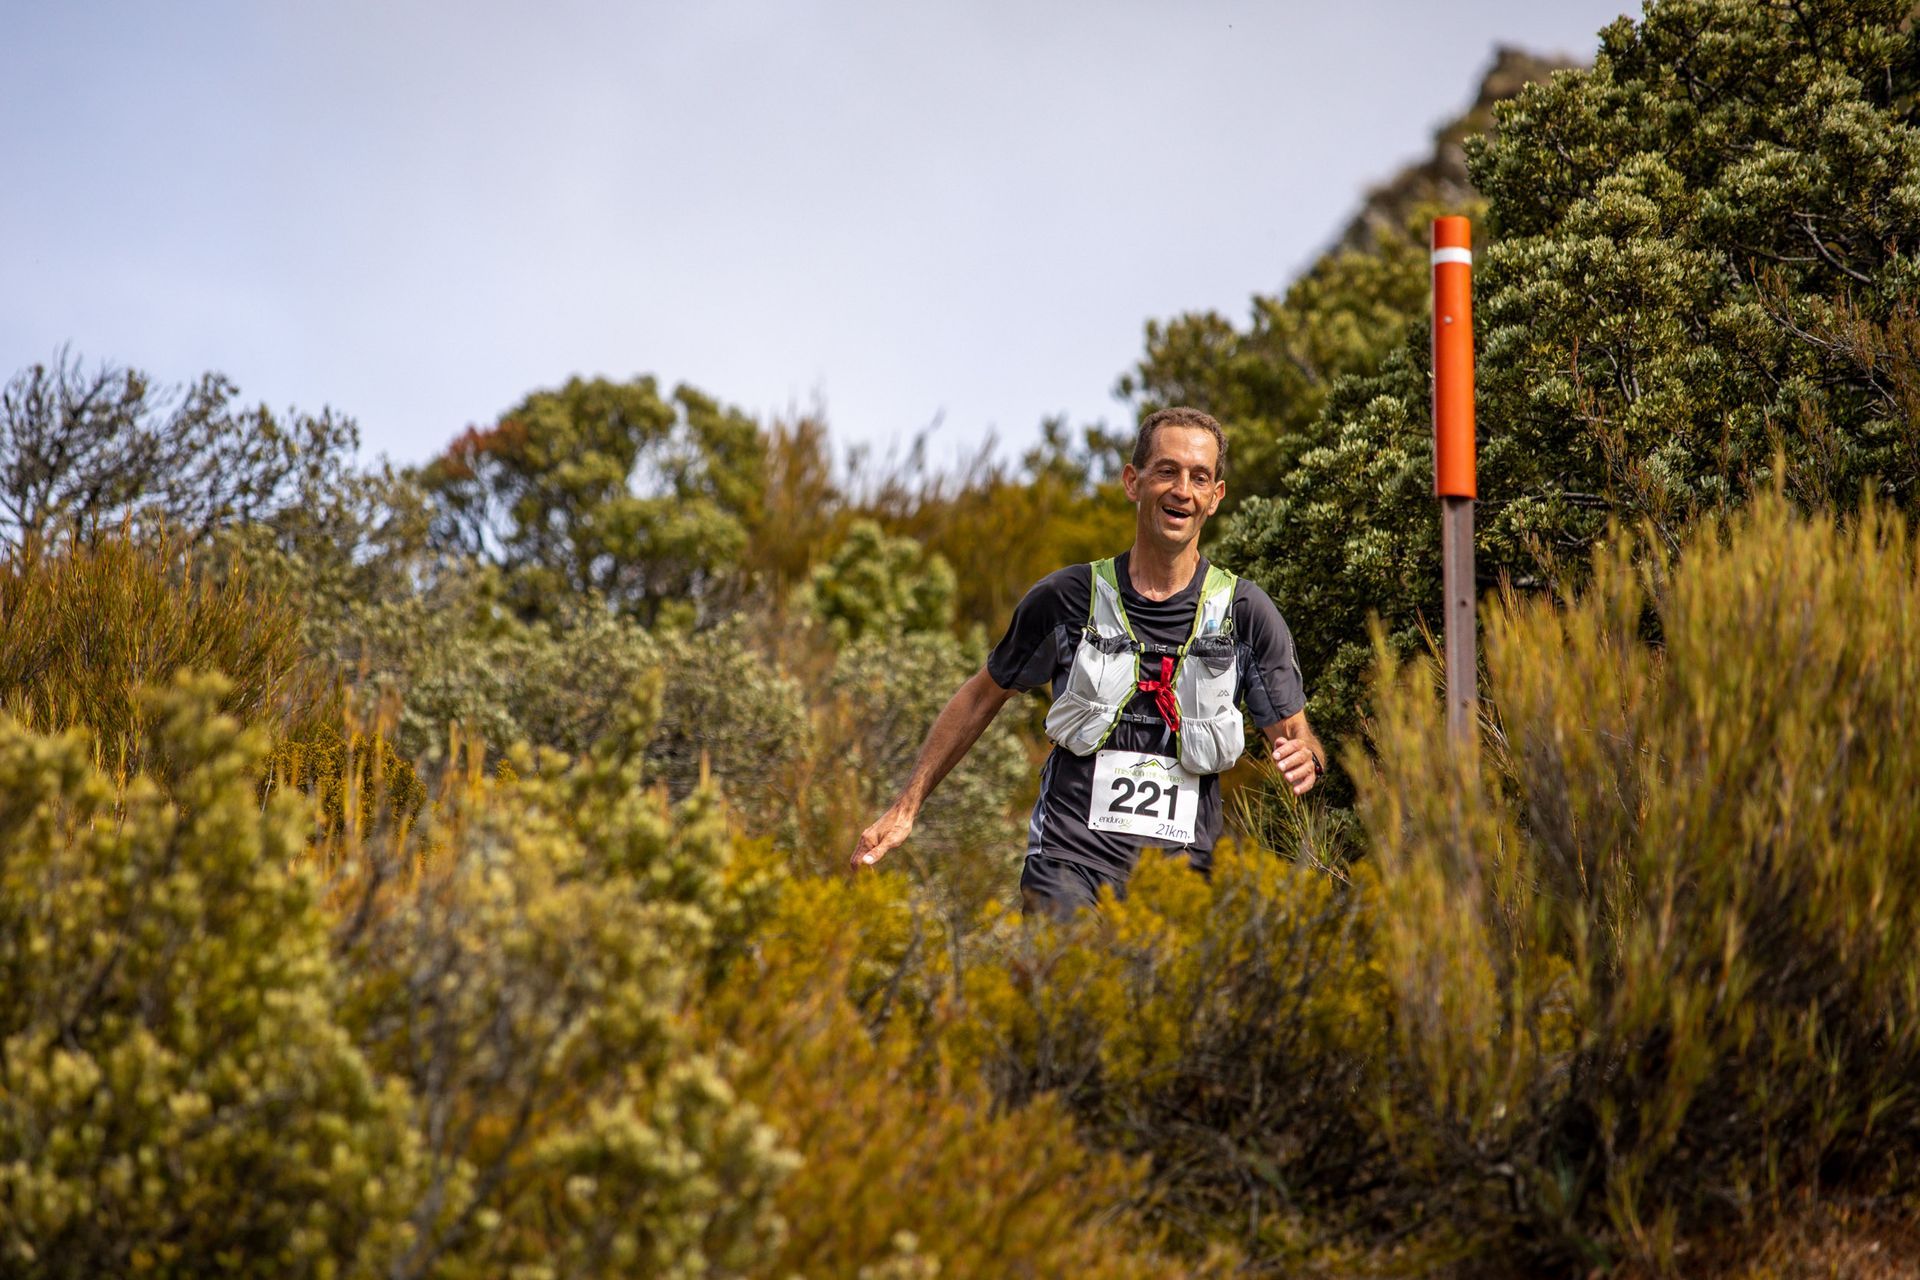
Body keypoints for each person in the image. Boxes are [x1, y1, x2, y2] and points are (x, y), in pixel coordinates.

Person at [850, 406, 1325, 917]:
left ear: (1216, 497)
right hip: (1067, 862)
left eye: (1199, 477)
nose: (1182, 490)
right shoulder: (1066, 599)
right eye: (1166, 471)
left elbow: (1295, 735)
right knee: (1068, 965)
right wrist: (905, 808)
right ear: (1132, 482)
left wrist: (1308, 760)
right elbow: (981, 696)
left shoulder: (1244, 613)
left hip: (1181, 882)